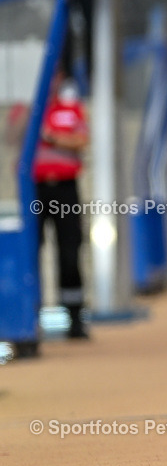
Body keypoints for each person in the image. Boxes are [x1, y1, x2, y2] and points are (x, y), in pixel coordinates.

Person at [34, 75, 90, 339]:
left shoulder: (70, 108)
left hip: (65, 189)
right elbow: (13, 137)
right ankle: (30, 316)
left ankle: (75, 317)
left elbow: (81, 139)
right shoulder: (27, 109)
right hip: (35, 189)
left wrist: (51, 137)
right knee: (31, 252)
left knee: (69, 252)